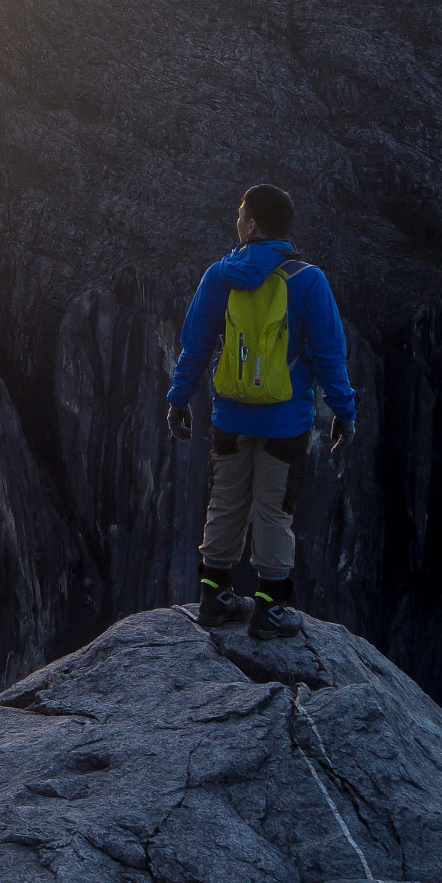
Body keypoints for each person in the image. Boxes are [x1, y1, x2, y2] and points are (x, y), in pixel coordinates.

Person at [167, 184, 357, 640]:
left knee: (226, 502)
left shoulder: (219, 276)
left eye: (239, 215)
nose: (236, 222)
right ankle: (269, 609)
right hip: (285, 423)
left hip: (229, 418)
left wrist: (178, 401)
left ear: (252, 225)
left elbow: (195, 347)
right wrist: (343, 413)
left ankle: (215, 598)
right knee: (273, 511)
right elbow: (330, 354)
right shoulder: (308, 280)